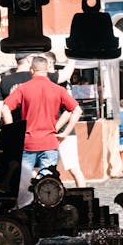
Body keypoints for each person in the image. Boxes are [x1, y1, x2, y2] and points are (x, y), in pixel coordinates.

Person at [0, 56, 82, 204]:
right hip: (50, 142)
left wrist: (13, 131)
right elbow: (77, 110)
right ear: (47, 71)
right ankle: (47, 214)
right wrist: (65, 132)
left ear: (32, 70)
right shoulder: (58, 89)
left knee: (24, 185)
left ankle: (25, 212)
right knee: (48, 186)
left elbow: (5, 108)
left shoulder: (23, 88)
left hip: (27, 142)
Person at [45, 52, 86, 188]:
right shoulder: (54, 80)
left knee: (74, 168)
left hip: (62, 131)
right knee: (46, 170)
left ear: (50, 63)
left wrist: (56, 128)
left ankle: (84, 198)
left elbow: (70, 111)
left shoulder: (58, 80)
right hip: (56, 131)